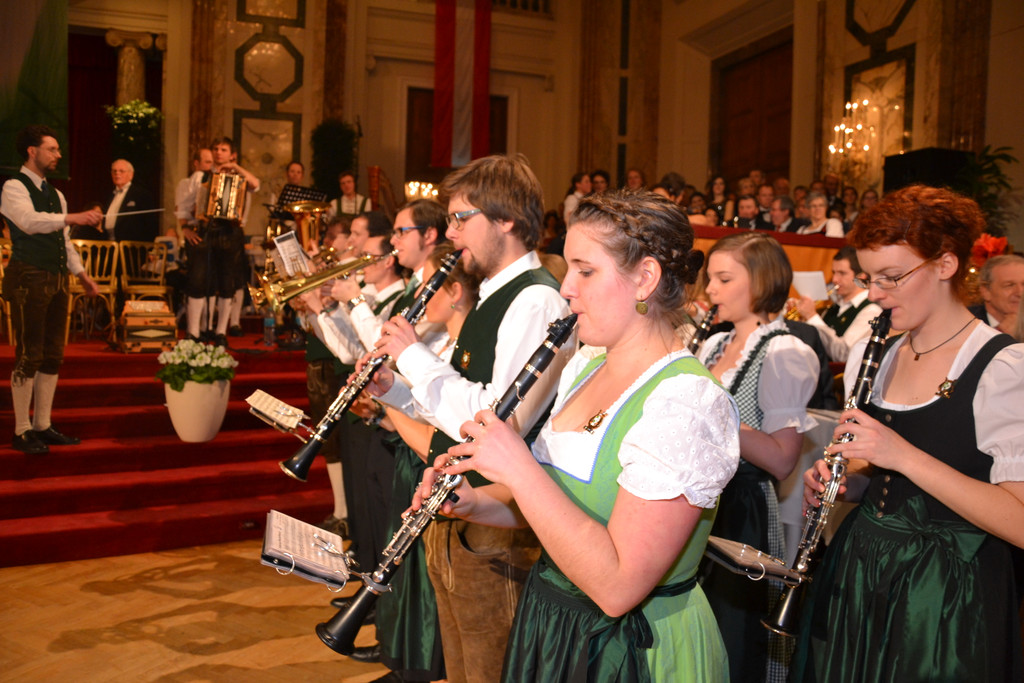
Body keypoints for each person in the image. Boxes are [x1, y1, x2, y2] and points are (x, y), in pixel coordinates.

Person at [410, 190, 740, 681]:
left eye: (585, 271)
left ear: (645, 278)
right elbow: (554, 506)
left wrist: (518, 467)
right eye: (569, 269)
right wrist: (473, 502)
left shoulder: (687, 403)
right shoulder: (586, 364)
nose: (566, 288)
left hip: (631, 651)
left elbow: (618, 588)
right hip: (553, 625)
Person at [792, 184, 1024, 682]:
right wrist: (852, 482)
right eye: (869, 278)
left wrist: (903, 456)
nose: (875, 294)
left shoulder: (1003, 367)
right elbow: (882, 476)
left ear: (946, 264)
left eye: (892, 277)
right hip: (862, 570)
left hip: (946, 596)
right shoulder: (874, 353)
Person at [365, 153, 572, 683]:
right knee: (460, 668)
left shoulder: (536, 300)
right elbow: (457, 400)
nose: (451, 233)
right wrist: (397, 393)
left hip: (498, 523)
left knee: (488, 668)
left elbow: (498, 420)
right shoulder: (495, 295)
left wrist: (413, 356)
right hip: (458, 505)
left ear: (506, 219)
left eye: (461, 218)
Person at [696, 231, 820, 682]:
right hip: (703, 498)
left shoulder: (783, 351)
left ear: (762, 280)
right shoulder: (712, 345)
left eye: (724, 279)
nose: (711, 290)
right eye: (710, 278)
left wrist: (715, 411)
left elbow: (782, 460)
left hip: (743, 508)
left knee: (734, 636)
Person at [1, 124, 103, 454]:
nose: (58, 155)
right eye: (52, 149)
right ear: (32, 151)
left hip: (57, 279)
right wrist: (73, 217)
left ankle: (42, 425)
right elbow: (29, 221)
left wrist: (82, 275)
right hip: (29, 277)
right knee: (29, 354)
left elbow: (64, 242)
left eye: (58, 149)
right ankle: (21, 430)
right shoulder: (13, 187)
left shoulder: (56, 195)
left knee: (52, 355)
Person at [179, 136, 260, 345]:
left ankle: (221, 331)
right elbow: (183, 206)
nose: (218, 152)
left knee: (227, 283)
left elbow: (255, 184)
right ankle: (194, 332)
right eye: (215, 149)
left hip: (230, 233)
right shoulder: (201, 177)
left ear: (232, 154)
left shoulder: (239, 176)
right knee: (198, 280)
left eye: (223, 149)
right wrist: (185, 228)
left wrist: (234, 167)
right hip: (206, 231)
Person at [788, 245, 884, 362]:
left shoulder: (871, 311)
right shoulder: (833, 308)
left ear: (861, 277)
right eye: (834, 272)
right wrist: (802, 320)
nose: (834, 279)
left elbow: (843, 354)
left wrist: (811, 316)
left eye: (842, 273)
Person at [103, 158, 158, 242]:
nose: (117, 174)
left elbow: (150, 223)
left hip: (131, 245)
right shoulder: (109, 195)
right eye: (114, 171)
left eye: (121, 171)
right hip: (109, 244)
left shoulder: (141, 194)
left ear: (131, 174)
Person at [969, 253, 1024, 329]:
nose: (1020, 293)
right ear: (986, 291)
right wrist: (1000, 333)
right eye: (1010, 285)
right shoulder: (966, 322)